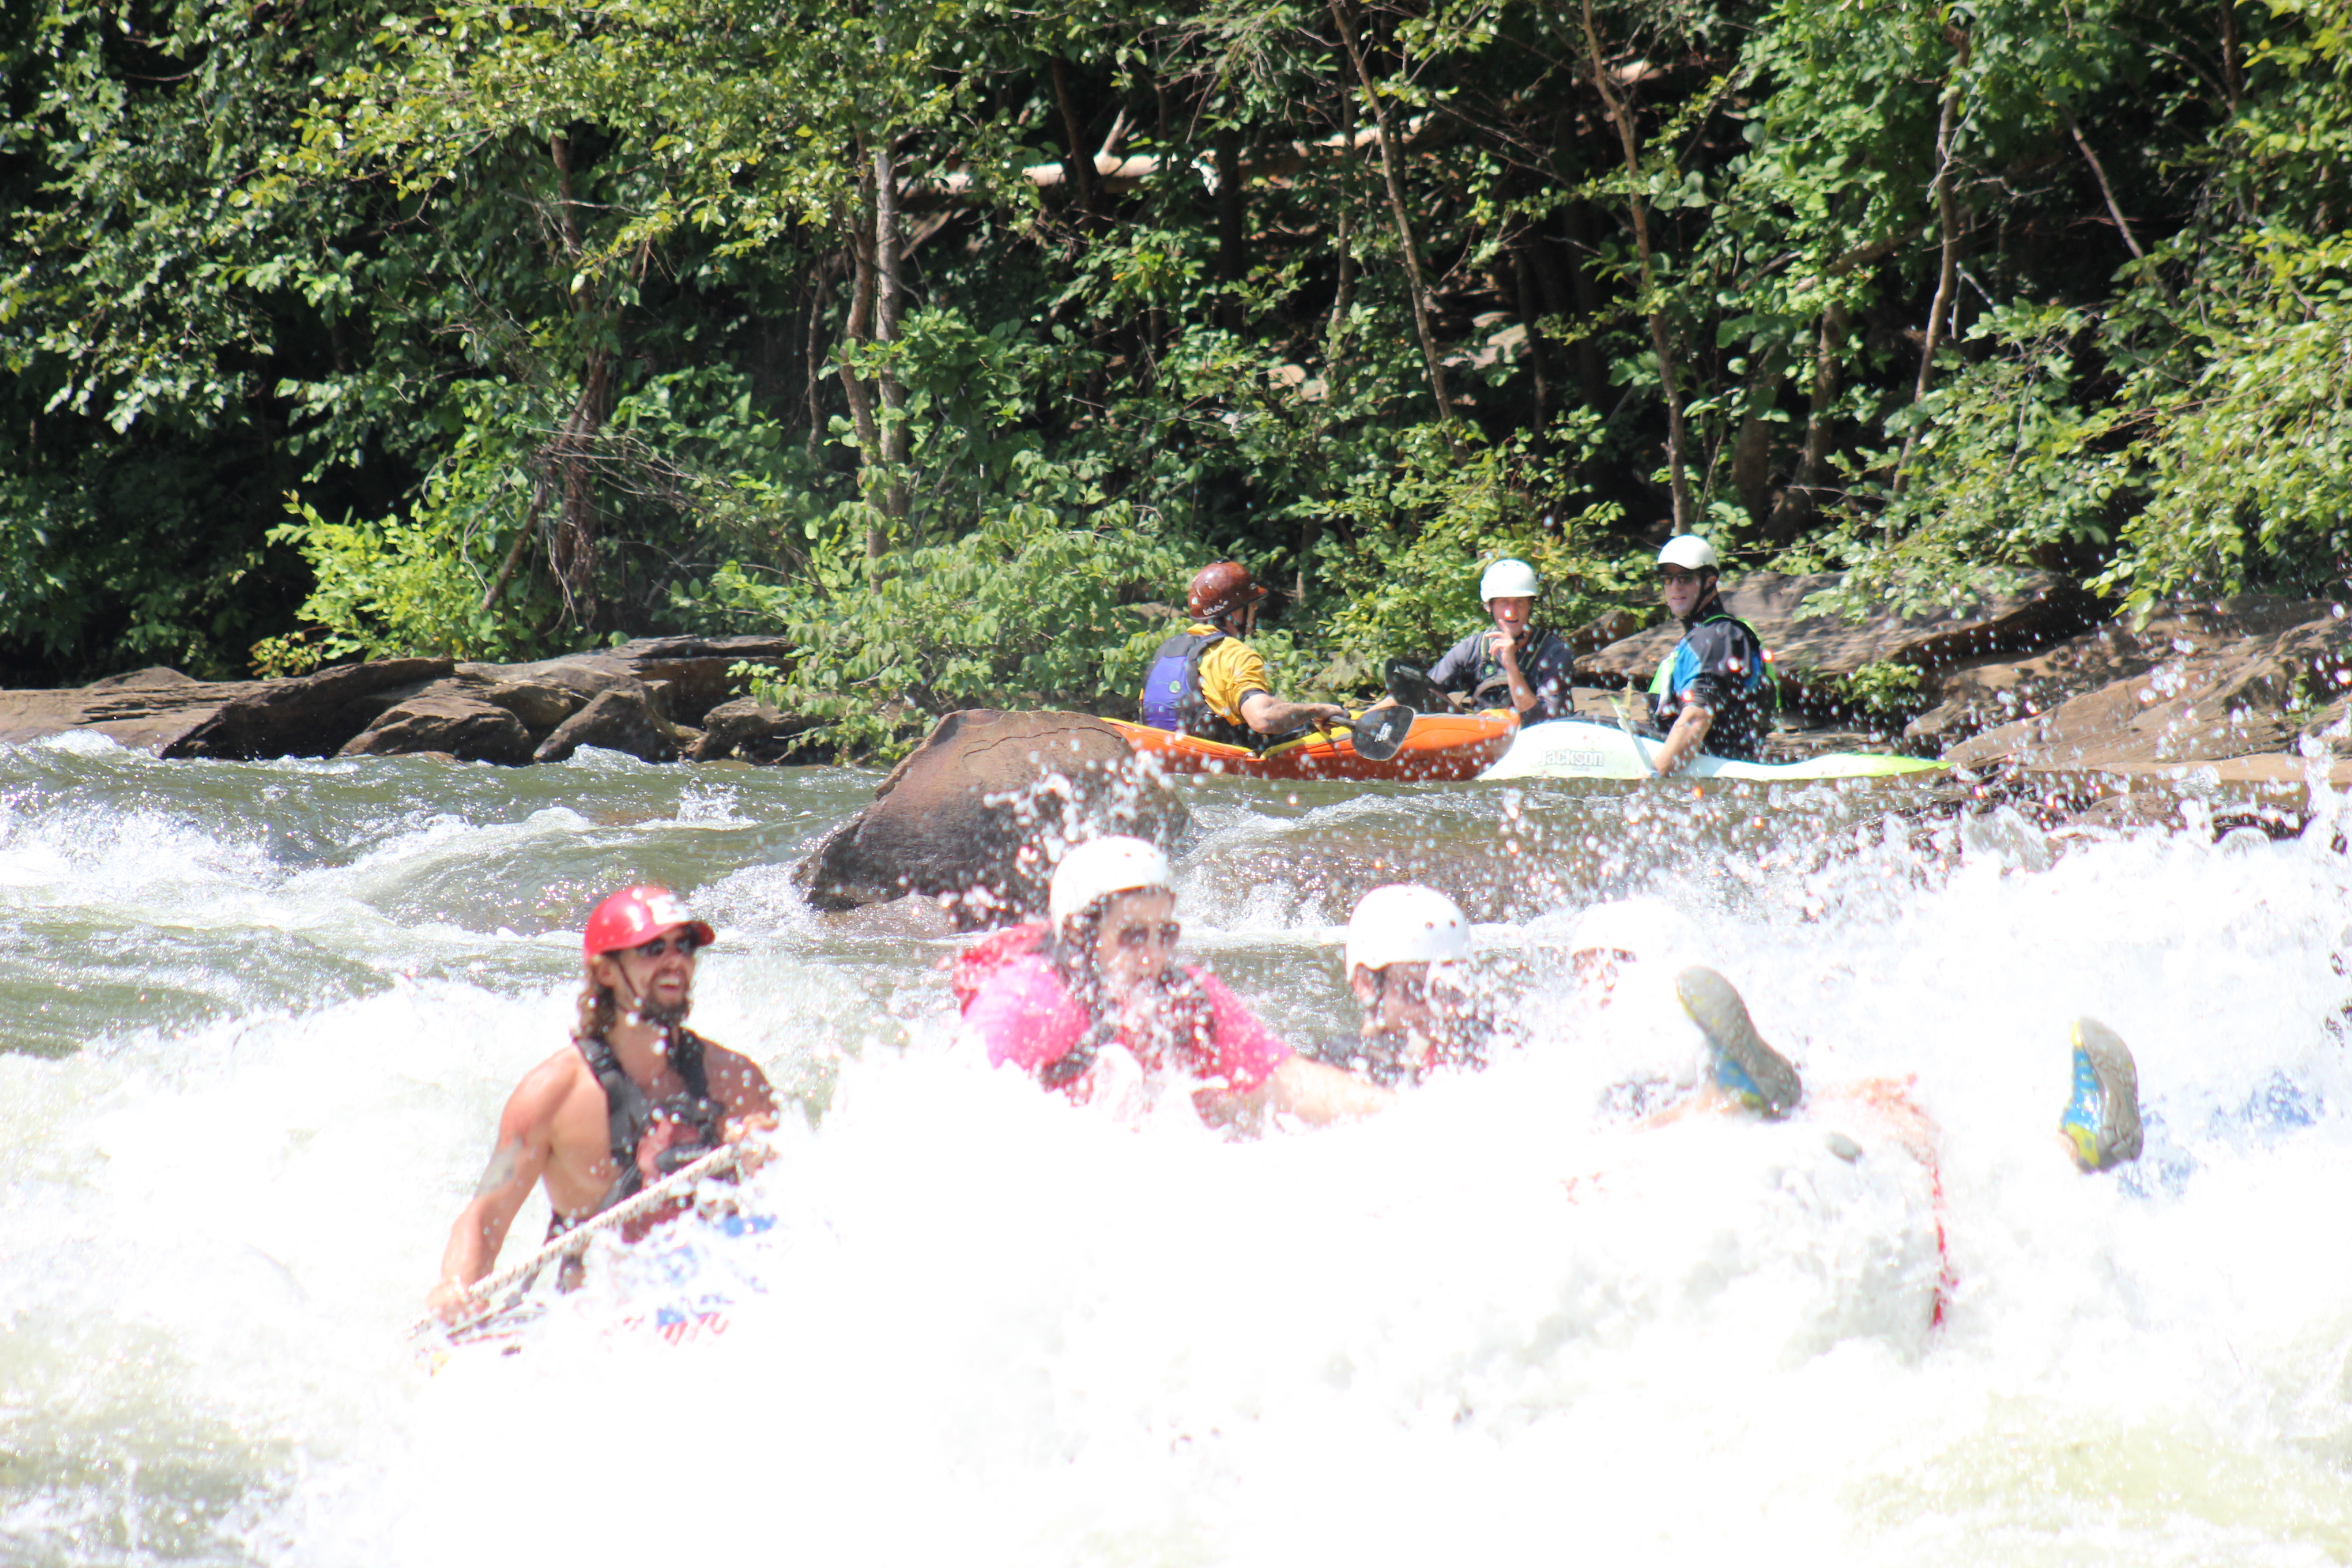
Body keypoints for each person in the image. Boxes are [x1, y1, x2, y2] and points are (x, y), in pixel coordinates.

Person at [1566, 898, 2144, 1171]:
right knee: (1878, 1110)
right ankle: (2074, 1145)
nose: (1592, 985)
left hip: (1746, 1153)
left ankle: (2073, 1146)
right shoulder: (1627, 1058)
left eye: (1606, 965)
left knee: (1894, 1109)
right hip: (1766, 1149)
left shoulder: (1643, 1051)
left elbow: (1605, 1156)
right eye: (1585, 970)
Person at [426, 885, 780, 1322]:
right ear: (607, 971)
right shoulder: (550, 1096)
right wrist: (454, 1286)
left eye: (685, 946)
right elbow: (485, 1217)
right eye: (653, 949)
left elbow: (787, 1198)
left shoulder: (733, 1079)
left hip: (717, 1300)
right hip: (600, 1321)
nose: (676, 961)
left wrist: (766, 1151)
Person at [953, 836, 1392, 1127]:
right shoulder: (1027, 999)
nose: (1153, 957)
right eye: (1131, 937)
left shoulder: (1187, 996)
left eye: (1165, 935)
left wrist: (1406, 1116)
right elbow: (961, 1114)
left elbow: (1287, 1082)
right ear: (1082, 938)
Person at [1139, 561, 1349, 747]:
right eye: (1252, 605)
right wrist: (1317, 710)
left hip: (1163, 755)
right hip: (1220, 768)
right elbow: (1263, 719)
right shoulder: (1234, 654)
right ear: (1234, 612)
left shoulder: (1165, 651)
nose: (1255, 610)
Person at [1320, 884, 1497, 1085]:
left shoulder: (1490, 1051)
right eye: (1418, 992)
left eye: (1452, 992)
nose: (1444, 1010)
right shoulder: (1336, 1070)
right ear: (1365, 983)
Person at [1648, 535, 1773, 773]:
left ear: (1709, 582)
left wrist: (1650, 782)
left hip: (1715, 770)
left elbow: (1697, 718)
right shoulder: (1703, 637)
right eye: (1668, 579)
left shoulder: (1716, 637)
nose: (1675, 587)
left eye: (1685, 578)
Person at [1420, 559, 1588, 722]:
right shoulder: (1471, 649)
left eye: (1519, 602)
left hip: (1534, 735)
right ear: (1489, 606)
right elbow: (1422, 691)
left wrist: (1511, 667)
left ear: (1530, 605)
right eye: (1503, 602)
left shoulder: (1555, 653)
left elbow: (1545, 720)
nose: (1511, 612)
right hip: (1485, 735)